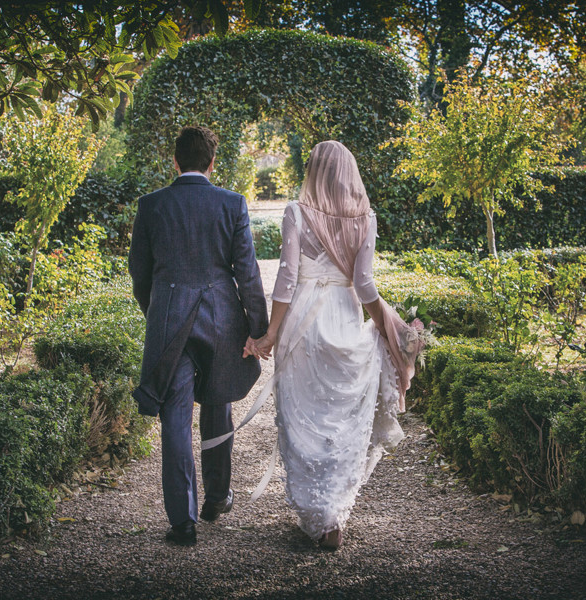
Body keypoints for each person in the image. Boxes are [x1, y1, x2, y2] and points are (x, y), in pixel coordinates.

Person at [248, 140, 428, 550]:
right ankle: (330, 515)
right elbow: (365, 285)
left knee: (303, 415)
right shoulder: (365, 218)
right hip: (344, 316)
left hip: (304, 321)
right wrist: (387, 326)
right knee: (340, 418)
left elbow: (288, 280)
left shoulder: (296, 213)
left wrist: (271, 333)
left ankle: (318, 514)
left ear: (314, 170)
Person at [128, 126, 269, 547]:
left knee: (175, 415)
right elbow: (247, 272)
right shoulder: (232, 203)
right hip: (222, 320)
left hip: (170, 320)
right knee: (218, 403)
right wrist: (259, 331)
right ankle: (217, 497)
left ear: (175, 161)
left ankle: (182, 521)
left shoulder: (151, 206)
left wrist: (156, 311)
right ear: (212, 163)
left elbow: (139, 272)